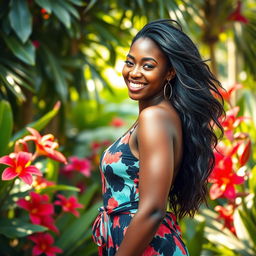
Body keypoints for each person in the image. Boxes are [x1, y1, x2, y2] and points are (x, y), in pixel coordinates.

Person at [92, 19, 224, 256]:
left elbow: (153, 209)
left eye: (148, 66)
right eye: (130, 62)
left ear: (169, 72)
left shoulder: (154, 118)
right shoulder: (163, 115)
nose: (134, 72)